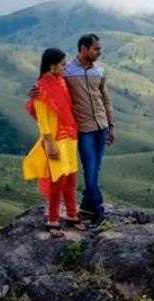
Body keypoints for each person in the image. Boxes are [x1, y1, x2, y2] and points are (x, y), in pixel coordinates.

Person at [29, 33, 115, 227]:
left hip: (93, 128)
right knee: (86, 171)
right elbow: (44, 100)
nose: (99, 52)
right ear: (83, 49)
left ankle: (80, 208)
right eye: (96, 49)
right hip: (81, 130)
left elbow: (106, 98)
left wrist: (111, 125)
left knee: (85, 173)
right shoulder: (66, 74)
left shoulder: (99, 71)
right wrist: (34, 93)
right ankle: (97, 211)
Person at [22, 48, 85, 238]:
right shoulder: (41, 88)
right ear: (52, 66)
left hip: (70, 138)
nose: (65, 67)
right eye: (62, 64)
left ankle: (73, 216)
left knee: (71, 179)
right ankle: (53, 220)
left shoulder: (62, 82)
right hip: (55, 140)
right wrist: (49, 143)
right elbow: (42, 119)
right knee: (58, 180)